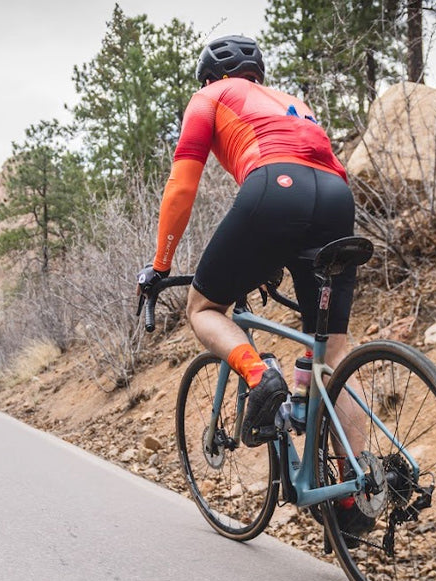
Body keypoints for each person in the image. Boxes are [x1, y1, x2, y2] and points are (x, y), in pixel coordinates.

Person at [138, 34, 357, 450]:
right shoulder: (291, 101)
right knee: (333, 355)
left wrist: (161, 264)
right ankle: (359, 494)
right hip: (336, 197)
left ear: (207, 78)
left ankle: (260, 377)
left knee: (203, 308)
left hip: (275, 186)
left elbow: (182, 186)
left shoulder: (210, 96)